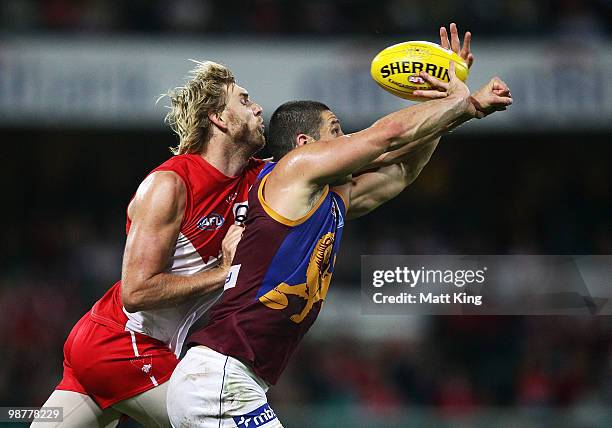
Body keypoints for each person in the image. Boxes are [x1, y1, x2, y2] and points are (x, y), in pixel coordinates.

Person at [166, 26, 513, 428]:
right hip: (221, 377)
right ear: (304, 143)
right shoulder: (290, 171)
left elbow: (401, 169)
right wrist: (461, 102)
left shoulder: (330, 201)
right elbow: (388, 136)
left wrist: (447, 105)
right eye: (335, 130)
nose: (345, 138)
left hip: (229, 379)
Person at [34, 61, 267, 427]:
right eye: (245, 100)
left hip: (118, 347)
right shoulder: (171, 183)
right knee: (221, 418)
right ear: (218, 118)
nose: (257, 107)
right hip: (124, 345)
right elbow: (138, 292)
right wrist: (223, 273)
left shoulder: (256, 179)